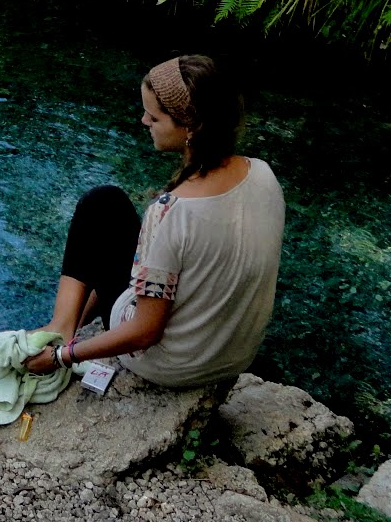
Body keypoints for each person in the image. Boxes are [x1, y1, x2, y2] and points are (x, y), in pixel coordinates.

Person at [22, 54, 284, 388]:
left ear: (192, 127)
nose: (144, 120)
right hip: (232, 357)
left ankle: (60, 330)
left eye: (154, 116)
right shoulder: (263, 174)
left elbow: (145, 332)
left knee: (101, 204)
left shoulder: (170, 211)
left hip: (171, 365)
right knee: (115, 221)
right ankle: (70, 322)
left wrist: (63, 357)